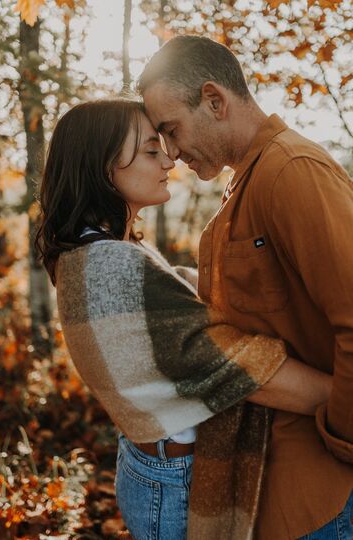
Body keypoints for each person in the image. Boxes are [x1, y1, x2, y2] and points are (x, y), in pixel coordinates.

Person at [35, 99, 333, 540]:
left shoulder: (95, 252)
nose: (169, 159)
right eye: (151, 151)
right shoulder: (110, 266)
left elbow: (180, 299)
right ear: (104, 167)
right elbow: (231, 363)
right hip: (174, 482)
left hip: (157, 465)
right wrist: (337, 395)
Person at [138, 35, 353, 540]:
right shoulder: (245, 183)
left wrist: (342, 439)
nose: (171, 150)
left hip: (318, 494)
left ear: (214, 100)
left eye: (172, 130)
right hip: (263, 486)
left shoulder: (292, 171)